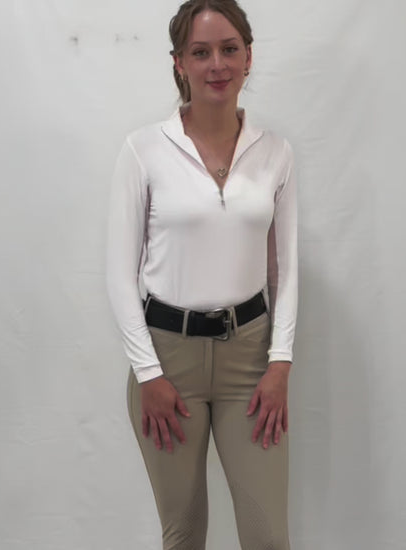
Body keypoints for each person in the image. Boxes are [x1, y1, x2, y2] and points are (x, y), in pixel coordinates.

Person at [106, 1, 298, 548]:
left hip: (251, 364)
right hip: (168, 361)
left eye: (229, 49)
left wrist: (280, 363)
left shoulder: (275, 153)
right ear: (179, 63)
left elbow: (284, 270)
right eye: (201, 52)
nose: (217, 64)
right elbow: (119, 274)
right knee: (184, 534)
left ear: (248, 57)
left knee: (267, 537)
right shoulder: (144, 150)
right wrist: (149, 373)